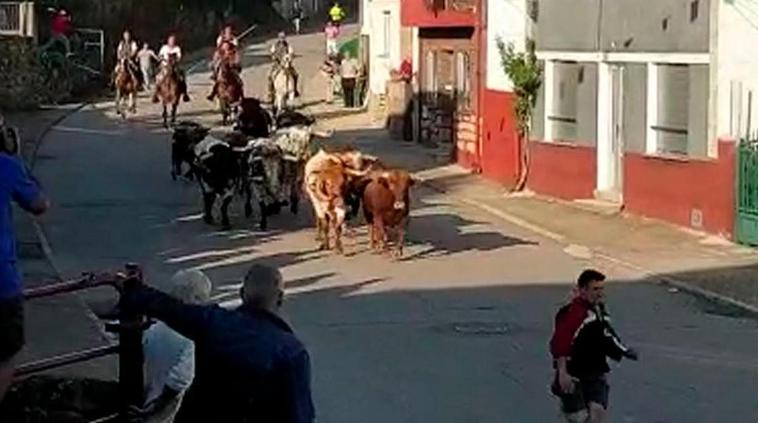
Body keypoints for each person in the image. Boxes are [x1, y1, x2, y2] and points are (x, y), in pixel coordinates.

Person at [113, 263, 315, 422]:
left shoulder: (214, 322)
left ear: (242, 293)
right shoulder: (292, 352)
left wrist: (129, 287)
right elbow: (298, 415)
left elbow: (169, 308)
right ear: (280, 298)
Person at [550, 270, 639, 423]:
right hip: (574, 374)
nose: (600, 293)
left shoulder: (599, 311)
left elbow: (608, 335)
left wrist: (624, 351)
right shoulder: (573, 313)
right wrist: (563, 373)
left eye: (601, 289)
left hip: (595, 373)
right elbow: (559, 344)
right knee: (579, 418)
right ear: (583, 290)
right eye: (595, 289)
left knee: (598, 415)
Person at [0, 130, 50, 403]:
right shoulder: (5, 165)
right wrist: (14, 157)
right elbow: (40, 204)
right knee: (5, 354)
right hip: (1, 282)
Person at [141, 269, 212, 423]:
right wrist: (162, 401)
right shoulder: (191, 337)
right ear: (197, 300)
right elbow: (181, 379)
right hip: (169, 405)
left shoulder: (155, 329)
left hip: (150, 392)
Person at [208, 26, 241, 101]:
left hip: (231, 55)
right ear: (225, 32)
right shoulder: (221, 38)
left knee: (235, 73)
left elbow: (236, 46)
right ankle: (215, 76)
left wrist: (231, 42)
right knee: (218, 64)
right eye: (227, 31)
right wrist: (224, 41)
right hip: (222, 55)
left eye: (230, 31)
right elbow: (218, 46)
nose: (228, 33)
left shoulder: (233, 38)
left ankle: (240, 93)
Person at [155, 34, 190, 103]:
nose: (172, 42)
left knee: (181, 77)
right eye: (171, 41)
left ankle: (185, 93)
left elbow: (179, 57)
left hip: (175, 66)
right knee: (158, 77)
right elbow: (160, 55)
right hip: (165, 65)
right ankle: (156, 94)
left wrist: (176, 60)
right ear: (168, 41)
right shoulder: (164, 48)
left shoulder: (177, 48)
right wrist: (162, 59)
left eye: (173, 41)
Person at [268, 32, 300, 102]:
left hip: (287, 64)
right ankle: (271, 92)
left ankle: (295, 89)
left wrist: (290, 57)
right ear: (278, 38)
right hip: (277, 64)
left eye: (283, 37)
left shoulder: (288, 46)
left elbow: (291, 53)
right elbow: (272, 53)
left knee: (296, 75)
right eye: (281, 37)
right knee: (270, 76)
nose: (282, 39)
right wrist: (274, 57)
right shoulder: (275, 45)